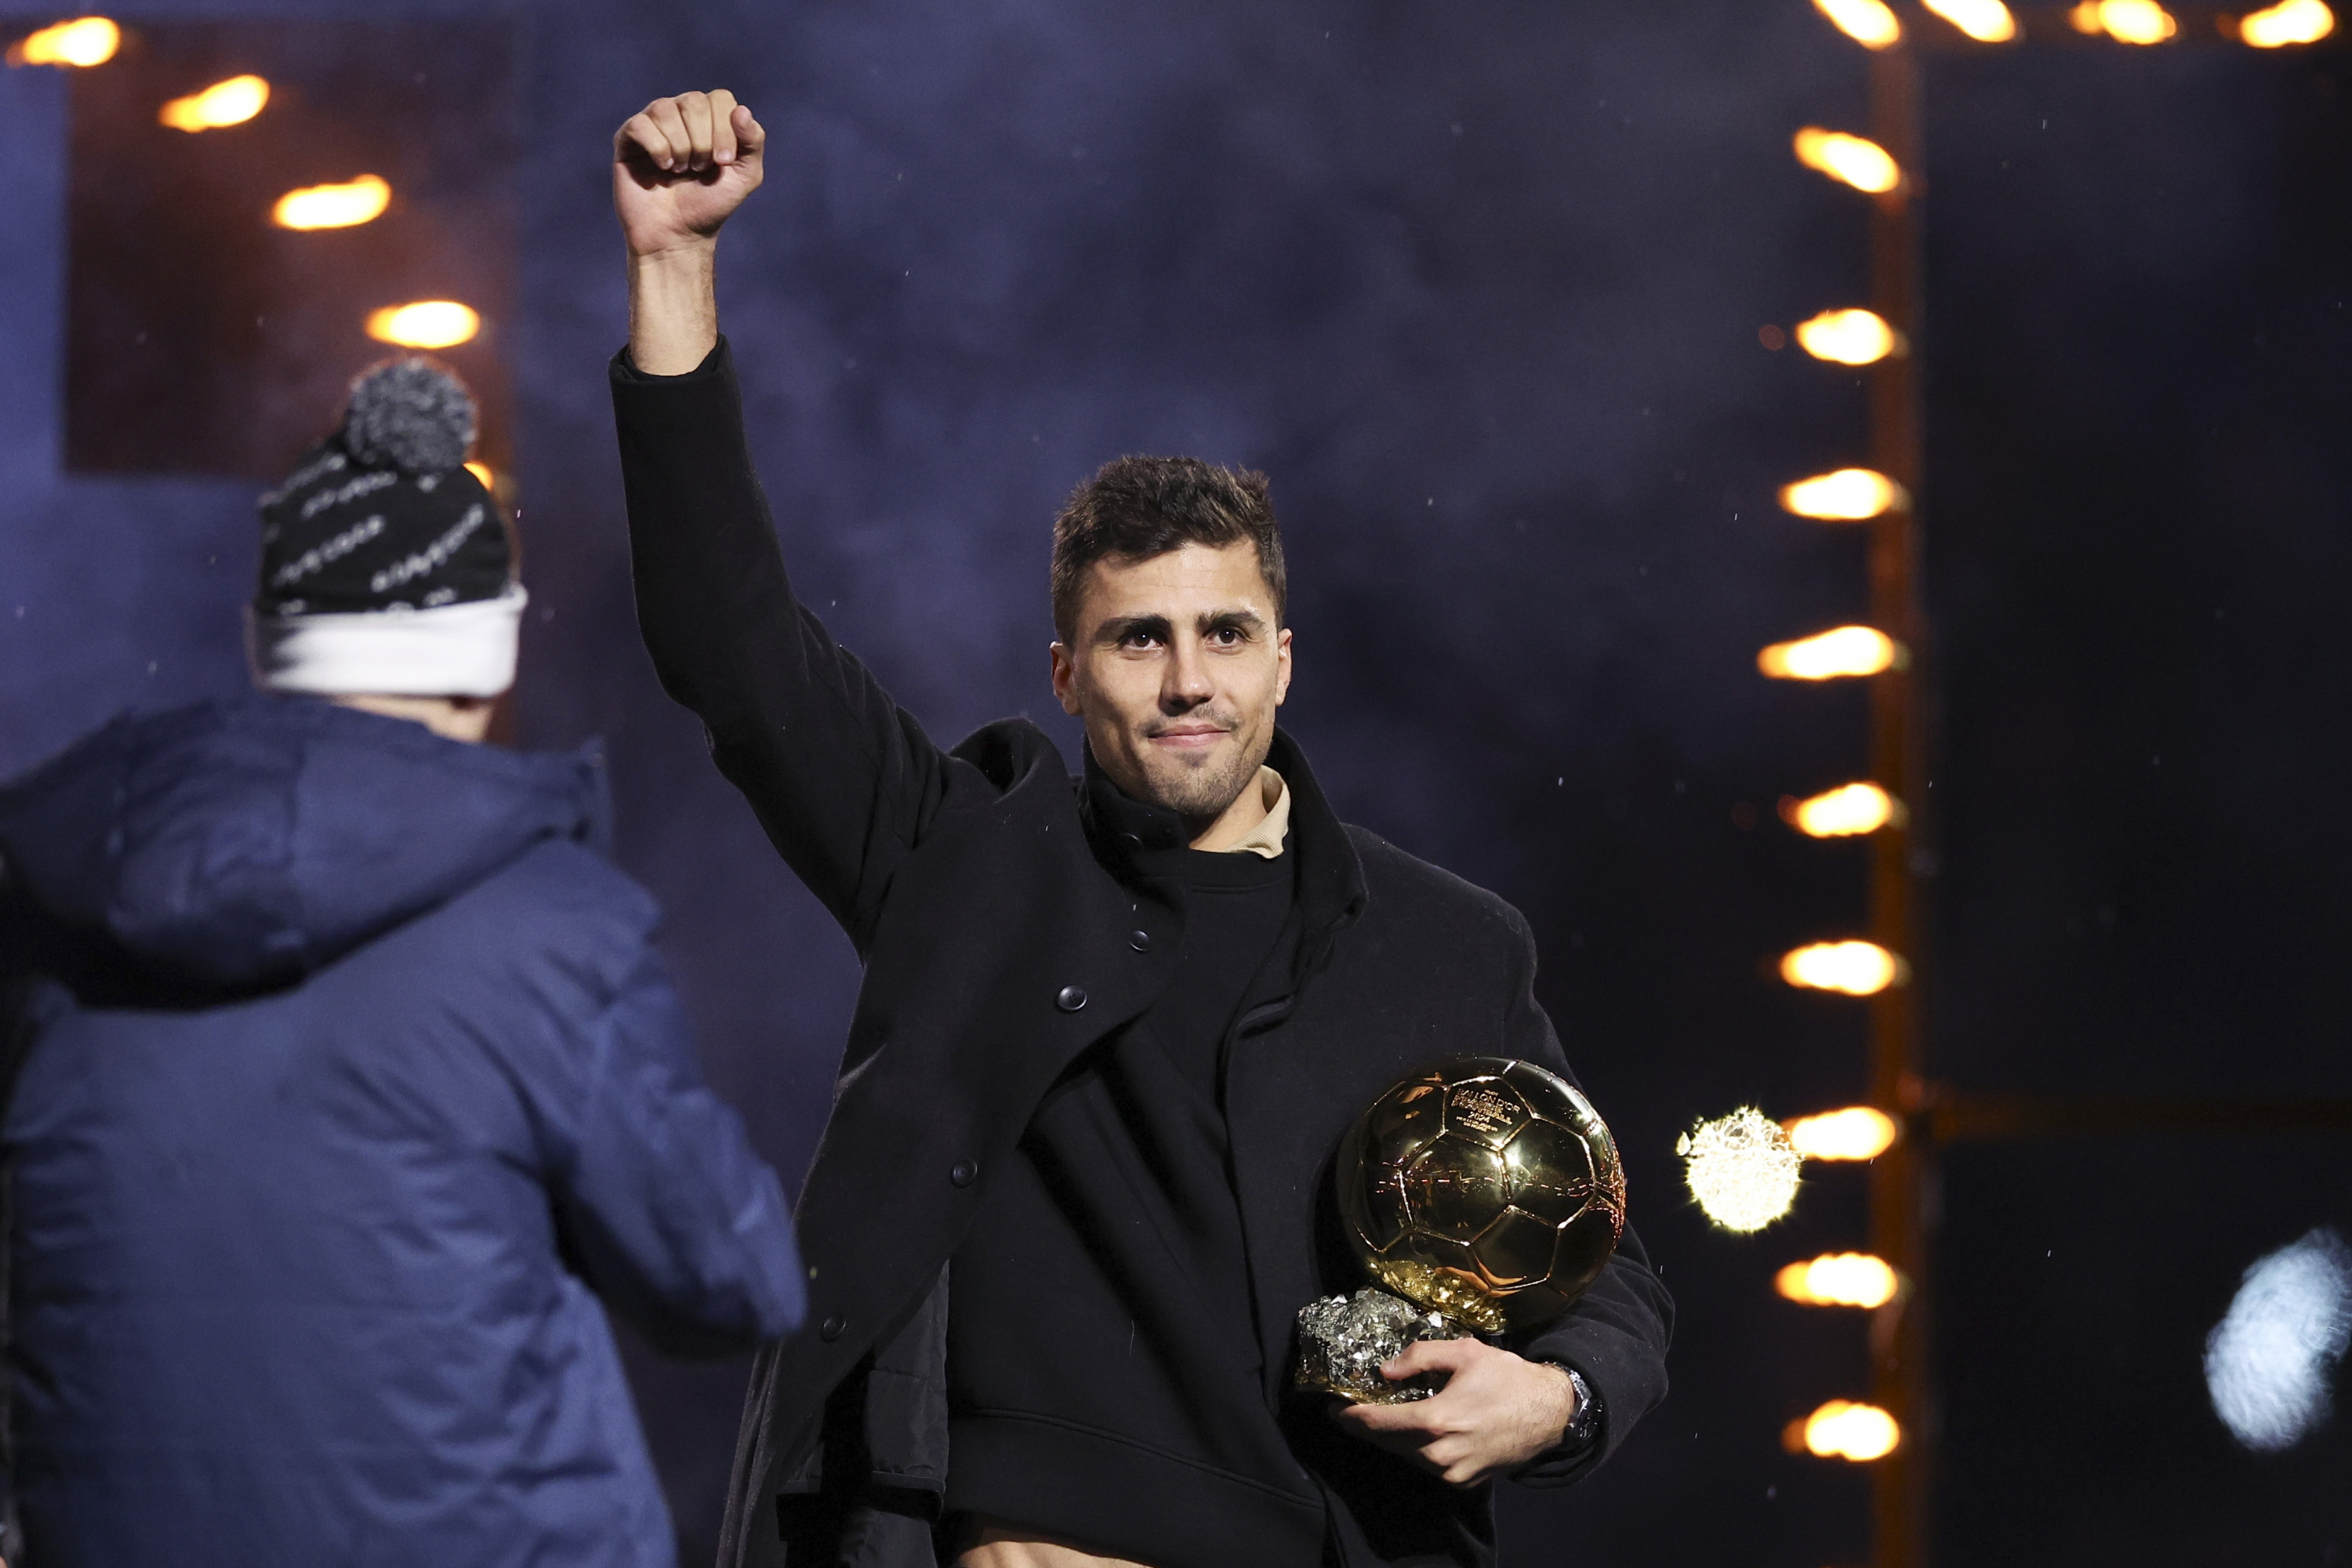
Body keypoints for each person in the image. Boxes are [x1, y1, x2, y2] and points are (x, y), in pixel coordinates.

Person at [608, 90, 1671, 1568]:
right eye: (1138, 640)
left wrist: (1551, 1400)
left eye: (1227, 633)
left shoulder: (1444, 945)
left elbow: (1613, 1277)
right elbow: (729, 645)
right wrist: (674, 270)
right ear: (1065, 674)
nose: (1189, 683)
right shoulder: (963, 861)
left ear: (1283, 659)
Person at [0, 360, 808, 1568]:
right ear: (488, 653)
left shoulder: (53, 911)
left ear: (267, 643)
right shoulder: (548, 928)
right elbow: (731, 1280)